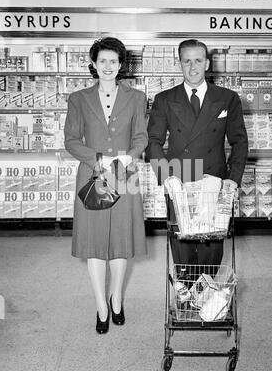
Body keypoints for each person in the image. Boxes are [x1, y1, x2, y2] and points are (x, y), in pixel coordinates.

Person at [64, 37, 148, 334]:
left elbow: (141, 136)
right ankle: (101, 305)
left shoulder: (137, 98)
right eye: (103, 61)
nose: (108, 66)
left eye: (114, 61)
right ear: (94, 64)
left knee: (121, 243)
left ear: (122, 65)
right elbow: (71, 140)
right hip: (91, 176)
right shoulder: (78, 99)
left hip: (125, 176)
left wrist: (129, 157)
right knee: (95, 243)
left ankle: (117, 298)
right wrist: (97, 158)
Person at [146, 39, 248, 268]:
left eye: (198, 61)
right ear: (179, 64)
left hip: (214, 182)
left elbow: (239, 141)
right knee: (182, 250)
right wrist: (166, 177)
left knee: (211, 250)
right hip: (178, 182)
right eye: (187, 61)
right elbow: (153, 142)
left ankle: (208, 299)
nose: (193, 67)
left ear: (207, 63)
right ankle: (187, 299)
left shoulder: (227, 98)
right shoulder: (164, 99)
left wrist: (233, 178)